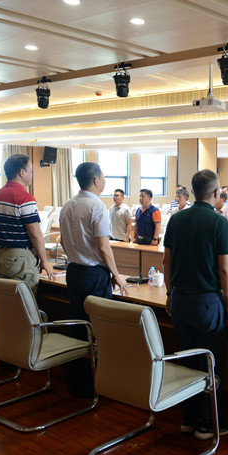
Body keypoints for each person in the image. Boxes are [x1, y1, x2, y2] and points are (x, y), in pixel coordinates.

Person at [163, 169, 228, 440]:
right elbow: (225, 268)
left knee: (187, 360)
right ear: (217, 193)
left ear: (192, 192)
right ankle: (207, 424)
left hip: (179, 301)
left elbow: (166, 261)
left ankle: (188, 418)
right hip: (207, 304)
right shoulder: (219, 223)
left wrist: (169, 294)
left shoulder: (176, 219)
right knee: (210, 364)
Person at [59, 161, 128, 396]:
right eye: (104, 177)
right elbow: (103, 247)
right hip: (94, 275)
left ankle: (78, 382)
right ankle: (100, 382)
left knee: (78, 327)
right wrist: (116, 275)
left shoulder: (68, 204)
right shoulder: (97, 205)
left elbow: (63, 241)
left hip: (74, 271)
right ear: (96, 180)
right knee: (99, 329)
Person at [0, 154, 54, 294]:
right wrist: (44, 260)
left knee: (5, 300)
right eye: (31, 170)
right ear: (22, 173)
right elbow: (35, 234)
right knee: (24, 301)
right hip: (19, 258)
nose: (32, 174)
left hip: (0, 255)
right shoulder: (24, 198)